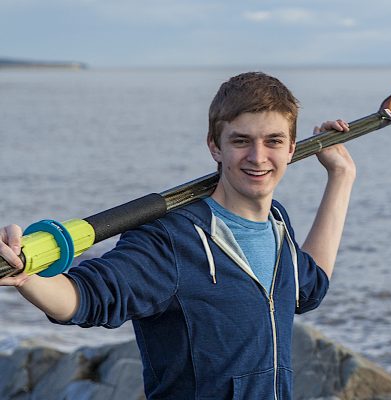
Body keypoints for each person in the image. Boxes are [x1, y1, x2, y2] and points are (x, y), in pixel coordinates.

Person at [0, 72, 356, 399]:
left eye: (273, 141)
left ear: (292, 148)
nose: (258, 157)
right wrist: (24, 272)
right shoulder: (171, 239)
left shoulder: (277, 224)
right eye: (241, 140)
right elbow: (87, 296)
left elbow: (309, 287)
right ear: (215, 146)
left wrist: (341, 177)